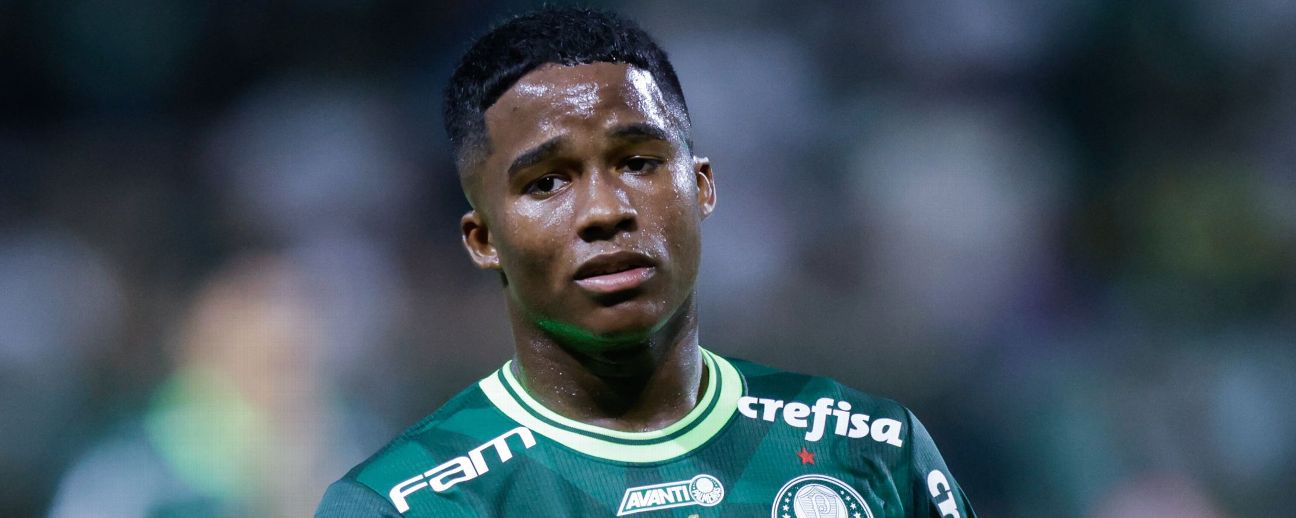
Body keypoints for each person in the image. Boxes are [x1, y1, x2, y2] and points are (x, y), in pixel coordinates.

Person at [317, 7, 975, 517]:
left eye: (638, 163)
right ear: (483, 239)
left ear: (704, 187)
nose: (605, 210)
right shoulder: (405, 503)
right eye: (546, 182)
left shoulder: (871, 450)